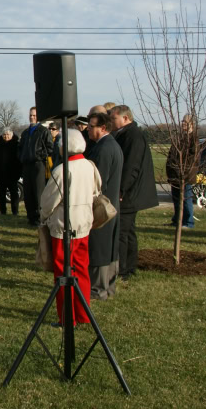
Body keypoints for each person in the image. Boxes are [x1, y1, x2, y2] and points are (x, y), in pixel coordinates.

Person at [40, 129, 101, 325]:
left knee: (63, 273)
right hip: (83, 224)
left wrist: (43, 217)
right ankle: (83, 314)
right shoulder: (89, 166)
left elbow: (48, 201)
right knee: (81, 269)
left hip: (63, 227)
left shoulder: (62, 170)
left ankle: (67, 318)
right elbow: (96, 191)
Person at [110, 105, 158, 279]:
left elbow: (132, 166)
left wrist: (121, 189)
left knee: (123, 231)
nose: (111, 122)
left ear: (125, 118)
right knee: (128, 231)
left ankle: (124, 269)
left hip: (130, 193)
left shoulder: (133, 136)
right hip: (129, 191)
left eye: (113, 118)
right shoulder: (125, 134)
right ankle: (129, 266)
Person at [85, 112, 122, 300]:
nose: (88, 129)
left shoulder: (104, 149)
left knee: (100, 247)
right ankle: (109, 286)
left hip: (103, 207)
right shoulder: (109, 145)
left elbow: (99, 182)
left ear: (103, 128)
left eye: (92, 126)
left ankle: (99, 289)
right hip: (111, 205)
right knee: (109, 246)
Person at [18, 107, 56, 226]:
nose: (32, 117)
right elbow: (19, 148)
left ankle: (40, 218)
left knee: (38, 192)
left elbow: (50, 148)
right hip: (26, 166)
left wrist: (38, 155)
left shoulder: (43, 131)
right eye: (30, 115)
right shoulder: (25, 133)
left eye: (34, 115)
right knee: (28, 193)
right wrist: (21, 157)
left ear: (38, 117)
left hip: (38, 165)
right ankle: (30, 217)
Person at [166, 115, 199, 229]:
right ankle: (177, 220)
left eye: (186, 122)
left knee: (185, 199)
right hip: (175, 174)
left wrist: (182, 169)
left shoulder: (194, 139)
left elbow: (192, 158)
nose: (183, 124)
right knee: (176, 199)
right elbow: (172, 154)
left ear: (192, 124)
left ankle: (188, 222)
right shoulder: (180, 138)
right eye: (182, 122)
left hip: (185, 175)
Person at [0, 128, 22, 215]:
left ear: (12, 135)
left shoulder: (16, 145)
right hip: (0, 175)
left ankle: (15, 211)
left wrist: (20, 172)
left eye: (8, 134)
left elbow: (20, 160)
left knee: (14, 195)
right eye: (4, 135)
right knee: (1, 195)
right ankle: (3, 211)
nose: (6, 136)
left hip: (12, 175)